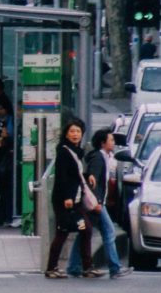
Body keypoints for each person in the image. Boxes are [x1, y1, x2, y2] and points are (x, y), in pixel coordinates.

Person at [72, 130, 129, 279]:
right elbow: (93, 181)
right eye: (111, 140)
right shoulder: (98, 158)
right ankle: (115, 268)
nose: (113, 143)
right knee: (109, 232)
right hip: (96, 204)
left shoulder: (104, 157)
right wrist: (96, 201)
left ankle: (74, 266)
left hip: (97, 202)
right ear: (103, 143)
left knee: (84, 234)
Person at [45, 119, 91, 278]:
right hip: (65, 200)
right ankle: (51, 268)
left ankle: (87, 267)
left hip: (75, 199)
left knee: (86, 230)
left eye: (78, 131)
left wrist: (88, 176)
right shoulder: (64, 151)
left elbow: (76, 174)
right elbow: (62, 177)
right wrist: (67, 197)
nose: (75, 134)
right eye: (72, 131)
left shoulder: (77, 151)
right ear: (66, 134)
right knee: (62, 232)